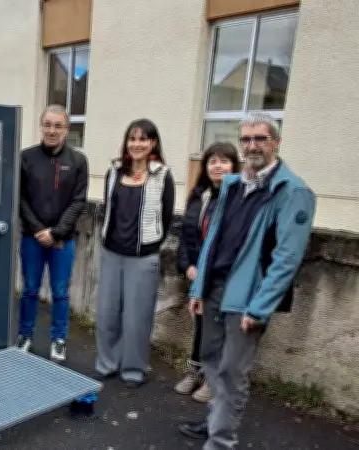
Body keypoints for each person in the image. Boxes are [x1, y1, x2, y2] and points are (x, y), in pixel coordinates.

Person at [177, 113, 316, 450]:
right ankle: (216, 421)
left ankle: (221, 440)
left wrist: (259, 308)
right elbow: (213, 240)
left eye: (260, 138)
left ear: (276, 143)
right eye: (246, 139)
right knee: (211, 360)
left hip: (246, 297)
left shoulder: (293, 191)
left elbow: (287, 259)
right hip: (213, 288)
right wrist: (198, 288)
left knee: (232, 372)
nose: (252, 146)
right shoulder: (233, 184)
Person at [95, 118, 176, 389]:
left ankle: (133, 369)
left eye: (143, 139)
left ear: (153, 143)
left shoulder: (162, 175)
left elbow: (166, 217)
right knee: (107, 314)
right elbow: (108, 209)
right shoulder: (114, 172)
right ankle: (106, 363)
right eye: (132, 138)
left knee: (136, 318)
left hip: (143, 258)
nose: (136, 144)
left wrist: (150, 244)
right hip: (111, 253)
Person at [15, 104, 89, 362]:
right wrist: (39, 230)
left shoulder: (78, 161)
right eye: (47, 124)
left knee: (60, 292)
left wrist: (56, 233)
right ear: (41, 127)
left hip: (62, 241)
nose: (52, 130)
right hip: (32, 238)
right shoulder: (26, 157)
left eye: (58, 126)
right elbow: (20, 198)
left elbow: (78, 201)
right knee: (29, 289)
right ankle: (25, 334)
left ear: (67, 130)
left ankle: (59, 338)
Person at [174, 142, 241, 403]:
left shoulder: (240, 199)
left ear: (234, 166)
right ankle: (196, 372)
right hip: (198, 274)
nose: (218, 166)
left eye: (224, 161)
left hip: (224, 276)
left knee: (219, 329)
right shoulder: (199, 196)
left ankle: (213, 379)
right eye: (213, 161)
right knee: (201, 326)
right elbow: (186, 236)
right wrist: (188, 266)